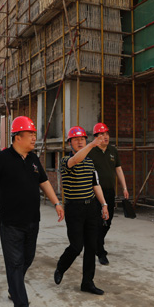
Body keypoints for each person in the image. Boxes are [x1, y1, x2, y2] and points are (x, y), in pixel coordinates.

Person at [0, 116, 64, 307]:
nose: (34, 138)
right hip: (10, 222)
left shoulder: (34, 159)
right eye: (31, 135)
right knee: (15, 263)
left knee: (27, 258)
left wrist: (56, 202)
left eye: (34, 135)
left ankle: (13, 286)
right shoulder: (2, 158)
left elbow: (44, 182)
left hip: (32, 220)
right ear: (18, 137)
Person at [54, 126, 109, 295]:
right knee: (76, 246)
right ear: (69, 143)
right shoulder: (65, 161)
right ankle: (61, 267)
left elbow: (95, 185)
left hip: (91, 207)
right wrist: (92, 145)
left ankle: (87, 282)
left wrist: (104, 204)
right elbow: (75, 160)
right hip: (74, 209)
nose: (80, 142)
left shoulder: (90, 162)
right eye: (76, 139)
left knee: (91, 247)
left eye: (83, 139)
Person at [87, 122, 129, 265]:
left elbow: (118, 169)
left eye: (106, 134)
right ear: (95, 137)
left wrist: (124, 187)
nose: (105, 137)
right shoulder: (91, 151)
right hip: (94, 192)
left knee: (108, 221)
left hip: (109, 191)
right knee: (98, 221)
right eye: (101, 134)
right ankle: (100, 251)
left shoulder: (112, 150)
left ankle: (96, 244)